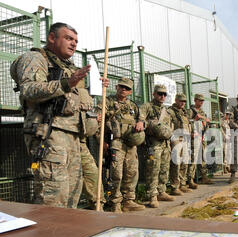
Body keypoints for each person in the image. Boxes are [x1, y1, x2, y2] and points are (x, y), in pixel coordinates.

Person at [10, 22, 108, 208]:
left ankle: (65, 234)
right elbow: (29, 89)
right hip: (49, 133)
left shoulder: (68, 67)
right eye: (68, 38)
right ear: (52, 38)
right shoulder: (35, 58)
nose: (73, 44)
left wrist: (94, 88)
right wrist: (66, 83)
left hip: (72, 136)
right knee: (54, 195)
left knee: (72, 193)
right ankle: (49, 235)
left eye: (76, 41)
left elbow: (73, 99)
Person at [103, 77, 145, 213]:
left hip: (131, 144)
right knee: (116, 174)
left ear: (130, 92)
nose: (123, 89)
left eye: (127, 88)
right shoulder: (107, 101)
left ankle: (129, 201)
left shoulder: (133, 106)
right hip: (116, 142)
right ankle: (115, 203)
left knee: (132, 172)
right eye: (121, 86)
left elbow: (141, 117)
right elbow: (99, 120)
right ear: (116, 87)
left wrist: (141, 122)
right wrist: (102, 140)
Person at [136, 84, 174, 208]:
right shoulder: (147, 106)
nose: (162, 96)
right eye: (160, 94)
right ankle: (152, 195)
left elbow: (169, 126)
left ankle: (161, 191)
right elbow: (141, 120)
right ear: (154, 94)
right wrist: (148, 124)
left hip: (165, 144)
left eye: (164, 94)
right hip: (153, 144)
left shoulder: (166, 110)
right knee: (153, 169)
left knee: (164, 168)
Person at [80, 110, 106, 210]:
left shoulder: (82, 97)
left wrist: (93, 120)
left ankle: (98, 206)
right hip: (58, 140)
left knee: (93, 174)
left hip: (80, 142)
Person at [167, 93, 192, 196]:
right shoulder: (171, 111)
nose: (183, 103)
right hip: (176, 139)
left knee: (184, 162)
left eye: (184, 101)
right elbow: (169, 126)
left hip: (185, 138)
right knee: (176, 163)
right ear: (176, 100)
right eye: (181, 101)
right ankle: (175, 186)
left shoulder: (184, 112)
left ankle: (182, 183)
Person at [187, 94, 213, 185]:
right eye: (199, 100)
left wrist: (203, 119)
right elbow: (187, 122)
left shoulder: (202, 111)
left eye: (202, 101)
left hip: (202, 137)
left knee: (203, 157)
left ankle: (204, 177)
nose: (201, 102)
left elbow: (207, 120)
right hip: (195, 137)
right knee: (193, 159)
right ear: (195, 100)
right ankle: (190, 179)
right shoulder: (190, 111)